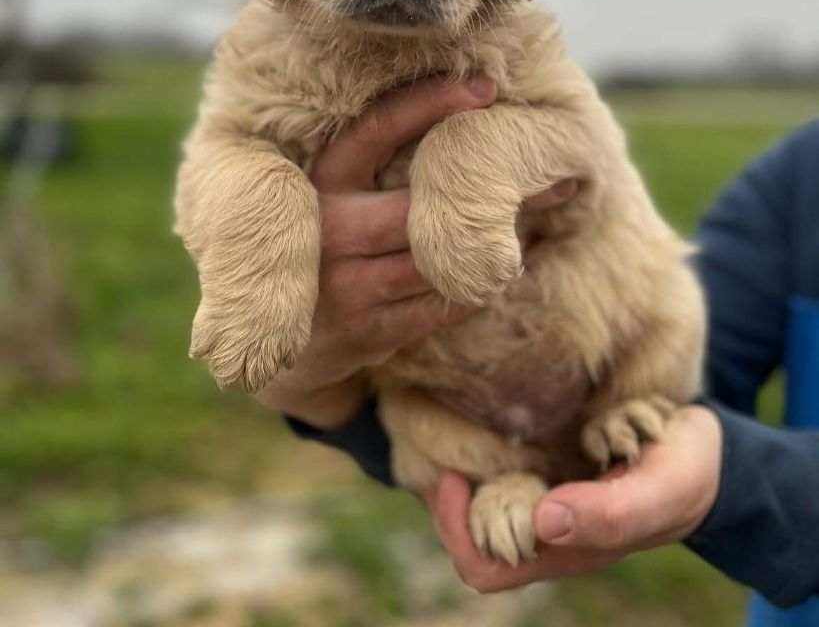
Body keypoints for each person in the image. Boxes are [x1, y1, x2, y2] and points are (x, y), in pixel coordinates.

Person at [256, 76, 819, 618]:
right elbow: (700, 357)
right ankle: (509, 472)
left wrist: (744, 478)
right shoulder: (794, 182)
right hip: (489, 410)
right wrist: (316, 388)